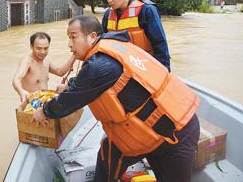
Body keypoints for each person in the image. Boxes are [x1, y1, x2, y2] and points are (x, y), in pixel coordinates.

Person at [33, 15, 200, 182]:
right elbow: (91, 81)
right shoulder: (111, 48)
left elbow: (66, 103)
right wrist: (70, 85)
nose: (70, 44)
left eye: (73, 37)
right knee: (108, 154)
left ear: (92, 36)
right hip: (140, 132)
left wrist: (44, 111)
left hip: (175, 134)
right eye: (69, 38)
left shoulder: (99, 65)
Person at [102, 0, 171, 71]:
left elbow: (160, 45)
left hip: (145, 67)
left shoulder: (146, 10)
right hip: (121, 67)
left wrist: (164, 71)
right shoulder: (107, 15)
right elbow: (103, 44)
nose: (109, 0)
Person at [12, 32, 75, 102]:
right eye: (39, 49)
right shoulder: (27, 60)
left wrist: (74, 55)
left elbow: (60, 72)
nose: (43, 52)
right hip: (32, 103)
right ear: (31, 46)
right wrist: (21, 91)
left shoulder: (46, 61)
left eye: (46, 48)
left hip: (45, 101)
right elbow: (17, 78)